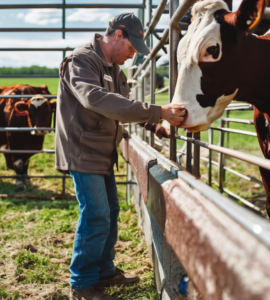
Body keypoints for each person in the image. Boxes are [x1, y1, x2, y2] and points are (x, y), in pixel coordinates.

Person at [55, 12, 186, 300]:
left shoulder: (116, 70)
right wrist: (158, 110)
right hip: (82, 150)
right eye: (131, 48)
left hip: (103, 152)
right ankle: (83, 284)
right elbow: (95, 99)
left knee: (110, 212)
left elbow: (123, 105)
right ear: (118, 35)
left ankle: (103, 270)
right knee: (95, 214)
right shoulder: (81, 61)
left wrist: (154, 124)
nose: (132, 55)